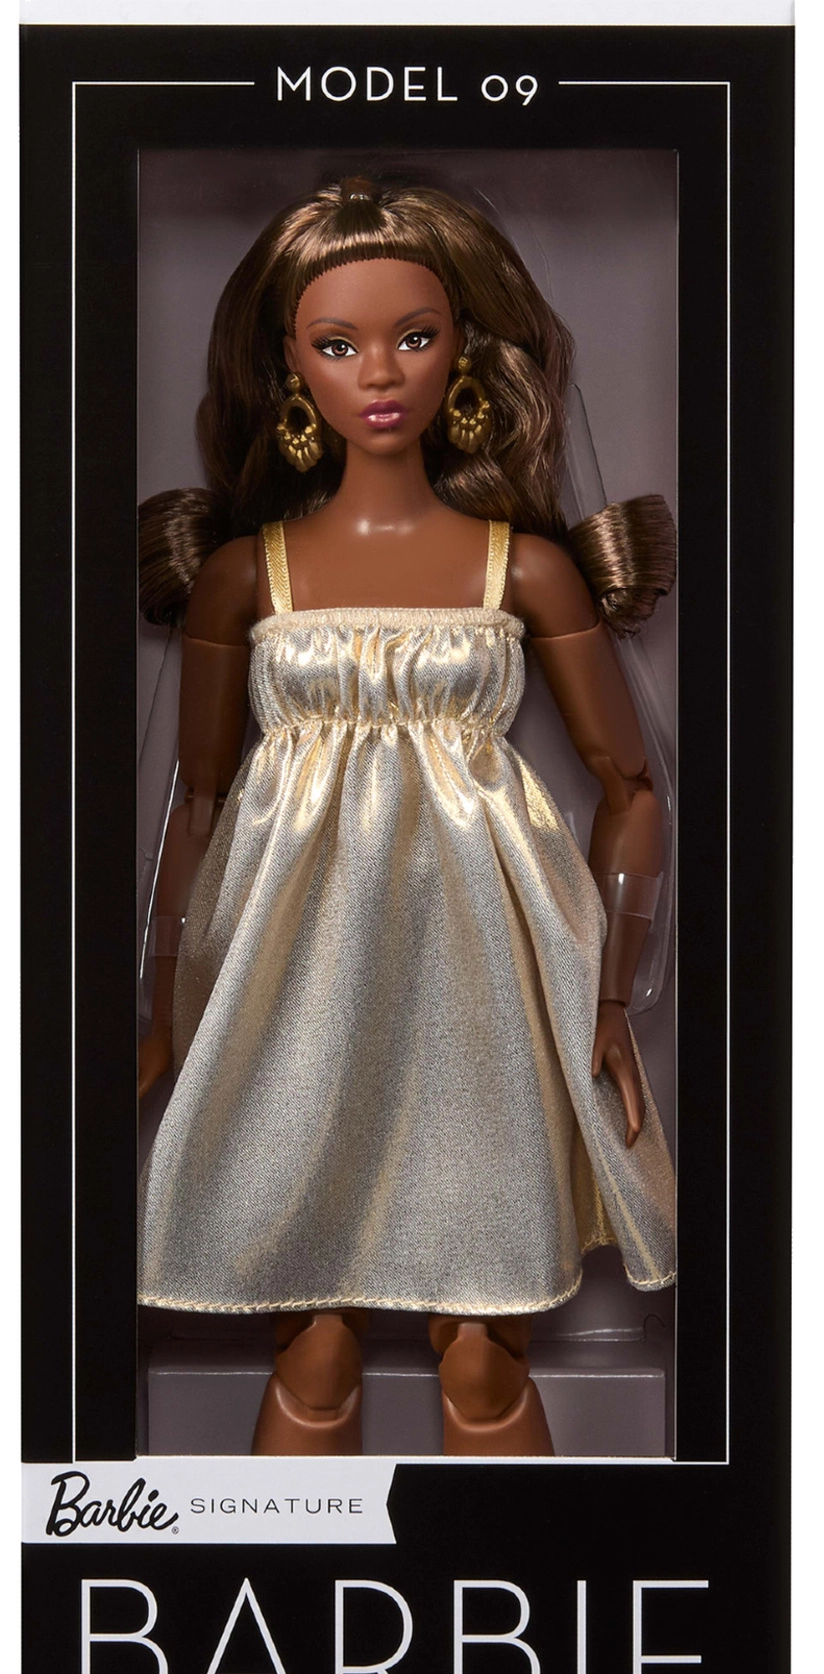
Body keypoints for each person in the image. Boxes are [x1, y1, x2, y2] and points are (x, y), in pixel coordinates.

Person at [137, 176, 676, 1459]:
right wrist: (166, 1000)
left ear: (462, 351)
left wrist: (608, 996)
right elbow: (196, 800)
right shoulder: (244, 575)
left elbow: (628, 786)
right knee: (310, 1344)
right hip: (294, 976)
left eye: (413, 336)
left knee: (484, 1351)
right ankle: (286, 1576)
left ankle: (513, 1576)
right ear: (291, 367)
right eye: (338, 344)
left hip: (482, 970)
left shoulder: (522, 568)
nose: (378, 374)